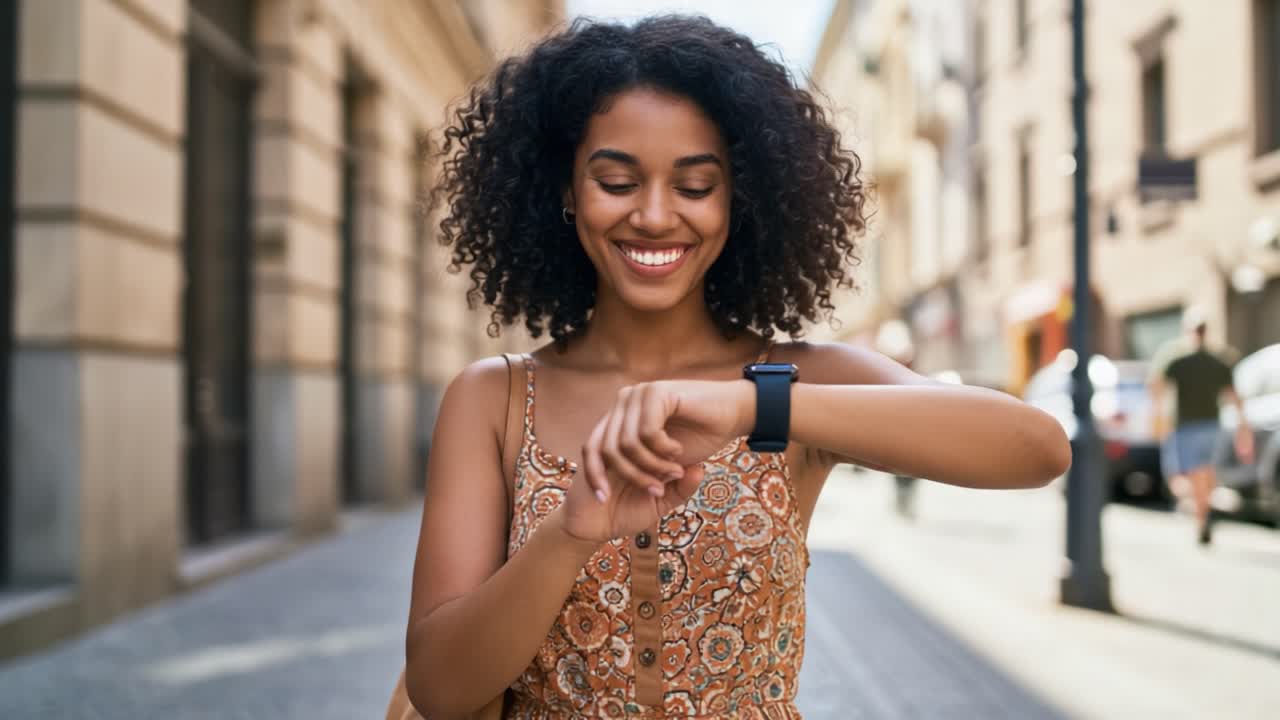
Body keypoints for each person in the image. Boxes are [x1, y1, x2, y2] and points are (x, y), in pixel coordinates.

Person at [388, 16, 1071, 719]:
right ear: (564, 191)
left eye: (695, 186)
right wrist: (570, 530)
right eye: (617, 181)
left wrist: (752, 406)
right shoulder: (495, 399)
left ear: (739, 201)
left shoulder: (793, 379)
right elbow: (440, 689)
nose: (655, 216)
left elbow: (1037, 448)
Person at [1149, 313, 1253, 545]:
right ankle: (1203, 509)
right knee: (1205, 473)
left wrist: (1157, 416)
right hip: (1212, 427)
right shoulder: (1219, 361)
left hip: (1186, 427)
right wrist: (1243, 427)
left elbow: (1156, 386)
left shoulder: (1177, 359)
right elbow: (1235, 397)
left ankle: (1200, 515)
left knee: (1185, 477)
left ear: (1188, 330)